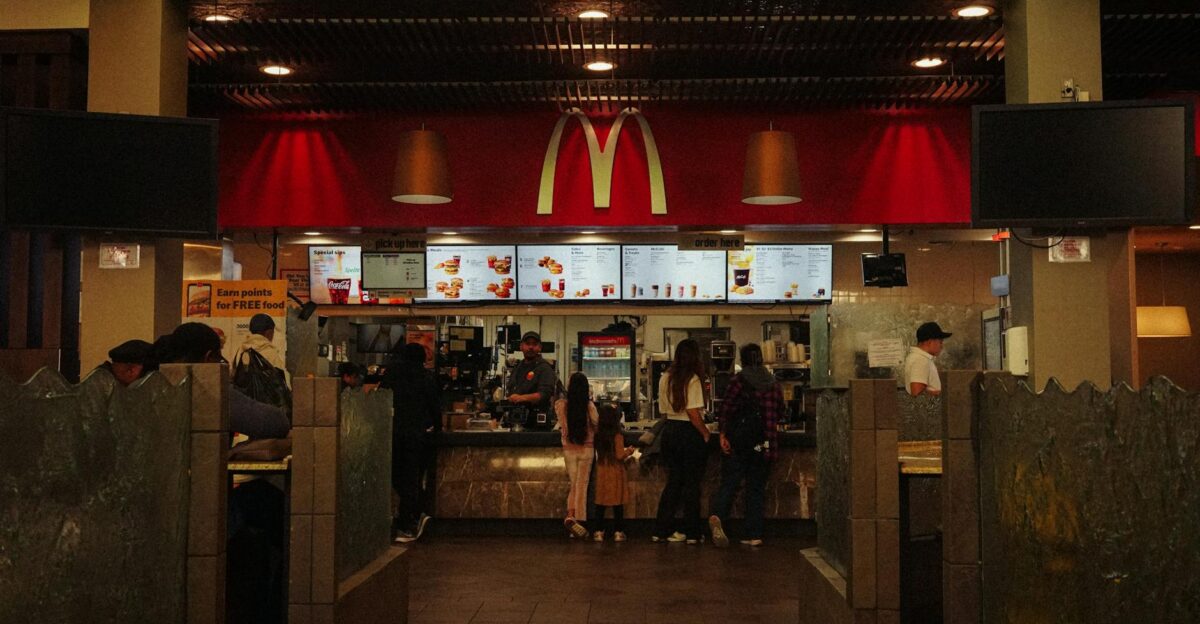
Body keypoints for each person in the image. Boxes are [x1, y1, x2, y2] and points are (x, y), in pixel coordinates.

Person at [708, 343, 783, 548]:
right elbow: (780, 412)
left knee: (730, 483)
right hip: (764, 443)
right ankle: (754, 534)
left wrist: (723, 433)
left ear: (742, 359)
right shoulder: (773, 382)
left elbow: (725, 410)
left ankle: (718, 515)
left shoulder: (738, 381)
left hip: (740, 443)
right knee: (756, 488)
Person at [380, 342, 442, 543]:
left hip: (392, 433)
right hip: (415, 435)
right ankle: (408, 523)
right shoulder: (425, 377)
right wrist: (438, 429)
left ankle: (401, 521)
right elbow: (434, 406)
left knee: (396, 477)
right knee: (411, 479)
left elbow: (380, 401)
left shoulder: (391, 375)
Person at [652, 339, 710, 545]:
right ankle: (692, 533)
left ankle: (661, 530)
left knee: (673, 483)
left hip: (670, 432)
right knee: (691, 485)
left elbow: (663, 410)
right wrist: (705, 432)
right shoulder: (692, 379)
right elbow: (693, 412)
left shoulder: (665, 377)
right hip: (688, 434)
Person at [555, 372, 598, 538]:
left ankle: (571, 516)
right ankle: (579, 521)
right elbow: (597, 422)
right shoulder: (589, 406)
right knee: (582, 485)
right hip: (586, 449)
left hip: (568, 450)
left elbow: (561, 424)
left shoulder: (561, 405)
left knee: (574, 484)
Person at [591, 403, 634, 542]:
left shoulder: (597, 435)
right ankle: (618, 532)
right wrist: (629, 451)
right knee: (617, 503)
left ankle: (598, 531)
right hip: (615, 471)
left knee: (600, 503)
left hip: (602, 470)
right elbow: (619, 455)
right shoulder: (617, 436)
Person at [506, 331, 558, 421]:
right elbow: (511, 389)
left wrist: (521, 398)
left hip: (536, 420)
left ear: (540, 348)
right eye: (527, 343)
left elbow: (544, 394)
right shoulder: (517, 367)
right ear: (521, 346)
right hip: (516, 418)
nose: (531, 347)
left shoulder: (544, 368)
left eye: (534, 344)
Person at [232, 313, 290, 386]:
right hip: (265, 393)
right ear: (269, 332)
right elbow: (283, 381)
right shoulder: (271, 352)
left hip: (242, 392)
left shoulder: (240, 350)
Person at [904, 321, 952, 396]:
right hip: (930, 404)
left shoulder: (919, 357)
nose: (941, 346)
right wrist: (943, 394)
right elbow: (917, 393)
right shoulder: (920, 360)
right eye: (940, 342)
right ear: (930, 342)